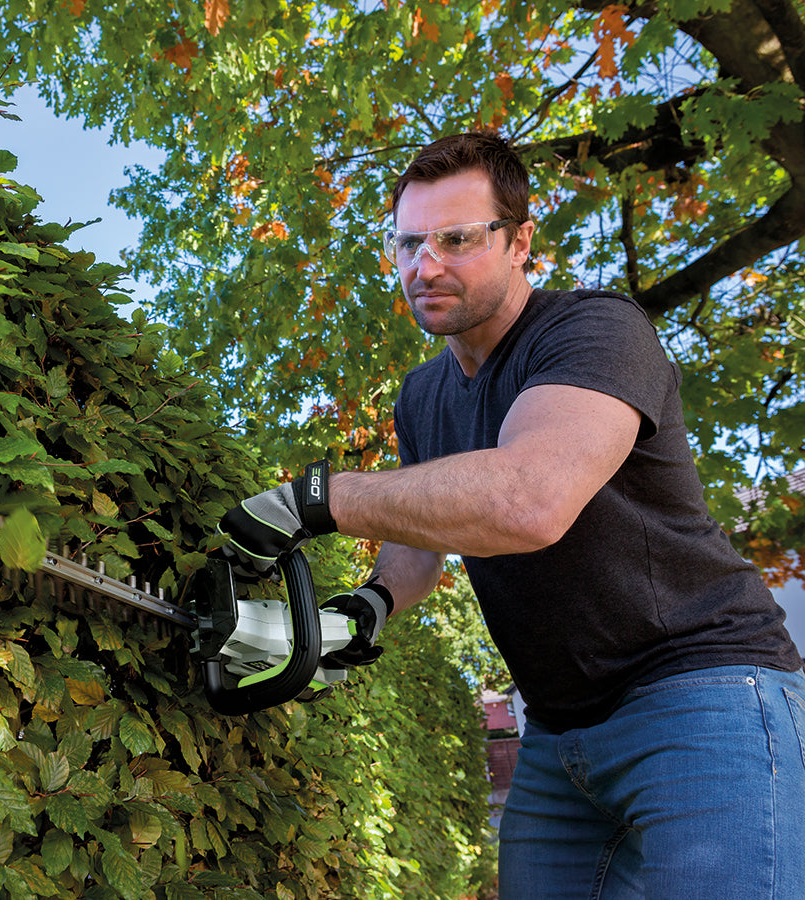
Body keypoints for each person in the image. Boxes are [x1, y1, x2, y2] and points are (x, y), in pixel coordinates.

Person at [220, 131, 805, 899]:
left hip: (703, 698)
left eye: (457, 239)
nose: (424, 267)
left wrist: (312, 500)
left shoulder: (595, 330)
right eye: (407, 244)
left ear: (521, 240)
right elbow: (422, 541)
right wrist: (366, 606)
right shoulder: (421, 397)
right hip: (556, 736)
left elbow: (527, 500)